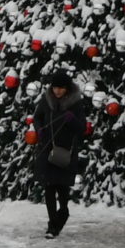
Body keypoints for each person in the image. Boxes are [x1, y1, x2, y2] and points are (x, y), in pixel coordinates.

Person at [35, 70, 86, 238]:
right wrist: (40, 131)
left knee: (62, 189)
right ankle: (52, 225)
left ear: (67, 88)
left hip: (65, 152)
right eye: (55, 87)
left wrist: (72, 120)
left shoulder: (76, 104)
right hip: (47, 150)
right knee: (49, 188)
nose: (57, 91)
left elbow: (82, 129)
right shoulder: (46, 100)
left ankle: (63, 213)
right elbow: (37, 117)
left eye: (61, 88)